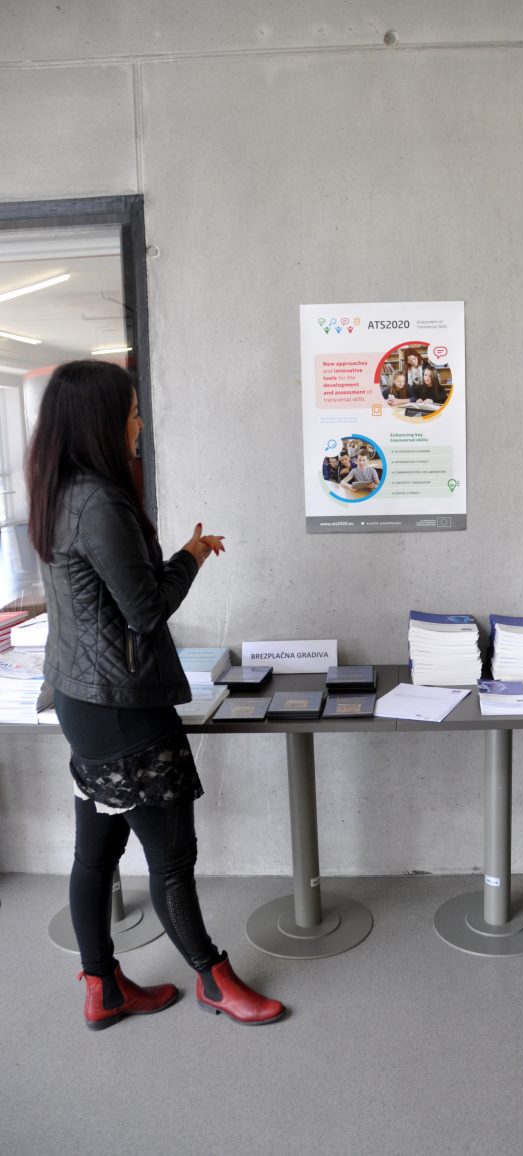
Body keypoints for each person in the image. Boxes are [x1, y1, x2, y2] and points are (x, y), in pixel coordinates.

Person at [26, 360, 286, 1031]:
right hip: (124, 710)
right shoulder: (100, 501)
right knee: (171, 858)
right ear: (102, 423)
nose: (140, 424)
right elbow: (145, 610)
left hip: (84, 702)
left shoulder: (56, 491)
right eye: (134, 412)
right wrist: (191, 558)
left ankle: (103, 989)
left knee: (96, 853)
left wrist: (178, 555)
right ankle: (214, 979)